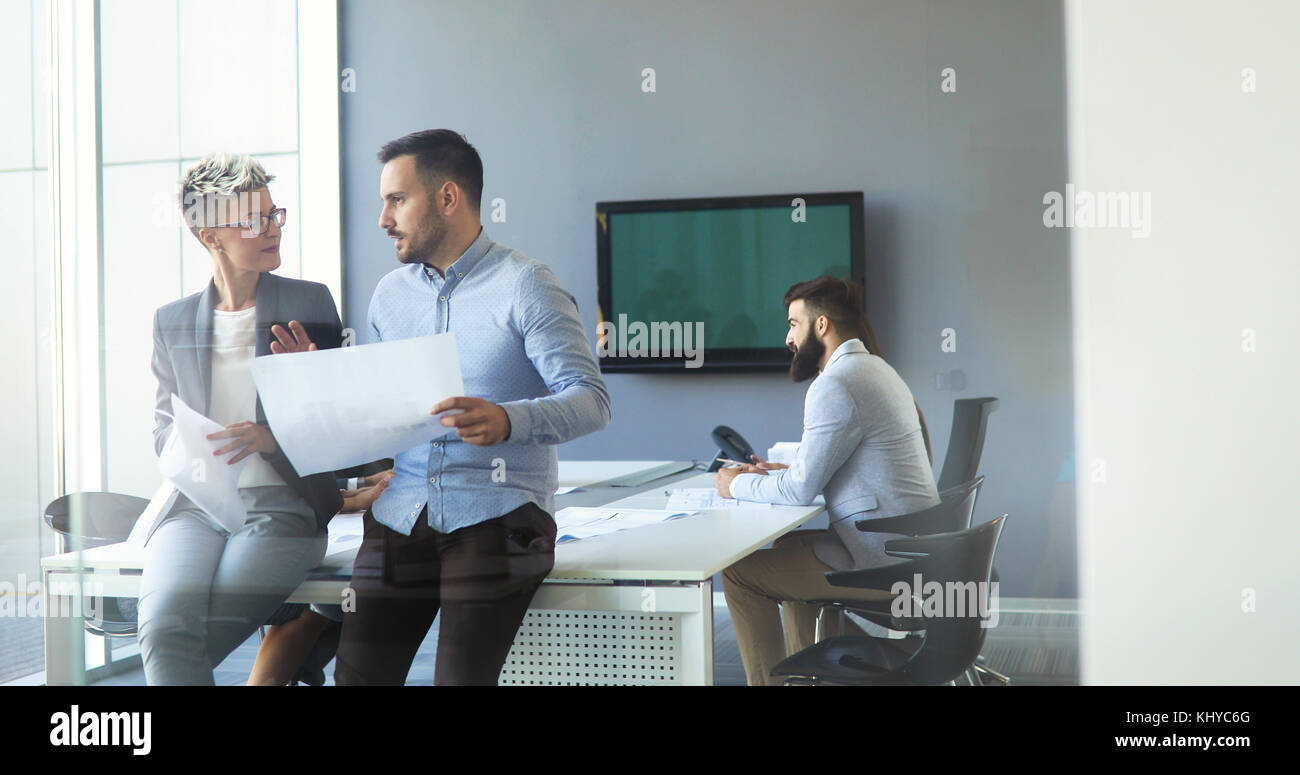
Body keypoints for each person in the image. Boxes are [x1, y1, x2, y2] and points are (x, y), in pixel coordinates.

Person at [331, 129, 611, 685]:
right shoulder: (390, 295)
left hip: (497, 514)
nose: (383, 219)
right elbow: (385, 411)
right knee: (357, 681)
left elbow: (592, 400)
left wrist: (510, 419)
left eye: (396, 200)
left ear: (448, 198)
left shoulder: (527, 285)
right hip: (399, 513)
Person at [139, 153, 346, 686]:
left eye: (275, 214)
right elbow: (163, 425)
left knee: (183, 642)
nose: (273, 229)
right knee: (164, 626)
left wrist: (274, 430)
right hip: (196, 506)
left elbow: (344, 429)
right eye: (254, 221)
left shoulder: (310, 302)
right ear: (212, 237)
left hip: (283, 506)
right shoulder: (172, 321)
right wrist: (189, 443)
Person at [714, 275, 940, 686]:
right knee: (786, 547)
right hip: (909, 549)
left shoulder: (835, 383)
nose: (788, 338)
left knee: (740, 575)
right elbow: (829, 467)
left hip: (881, 561)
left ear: (821, 326)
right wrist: (781, 472)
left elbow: (800, 492)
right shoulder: (875, 368)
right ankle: (826, 672)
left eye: (793, 324)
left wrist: (733, 485)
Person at [246, 470, 393, 686]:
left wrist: (348, 495)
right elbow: (302, 489)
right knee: (324, 601)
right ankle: (302, 667)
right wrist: (345, 500)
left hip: (247, 562)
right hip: (245, 575)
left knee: (324, 599)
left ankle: (301, 668)